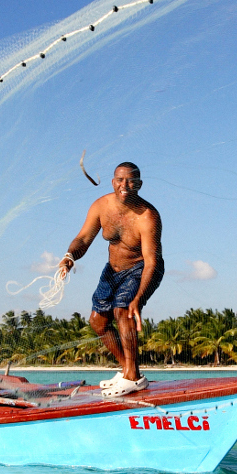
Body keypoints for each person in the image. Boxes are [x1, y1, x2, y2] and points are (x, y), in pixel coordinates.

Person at [58, 162, 163, 396]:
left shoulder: (148, 216)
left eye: (131, 181)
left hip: (142, 268)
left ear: (139, 185)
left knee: (122, 310)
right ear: (113, 182)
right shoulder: (101, 206)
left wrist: (138, 297)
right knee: (97, 322)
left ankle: (135, 377)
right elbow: (83, 238)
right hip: (113, 269)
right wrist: (69, 256)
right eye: (120, 180)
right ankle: (125, 369)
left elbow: (151, 261)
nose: (124, 185)